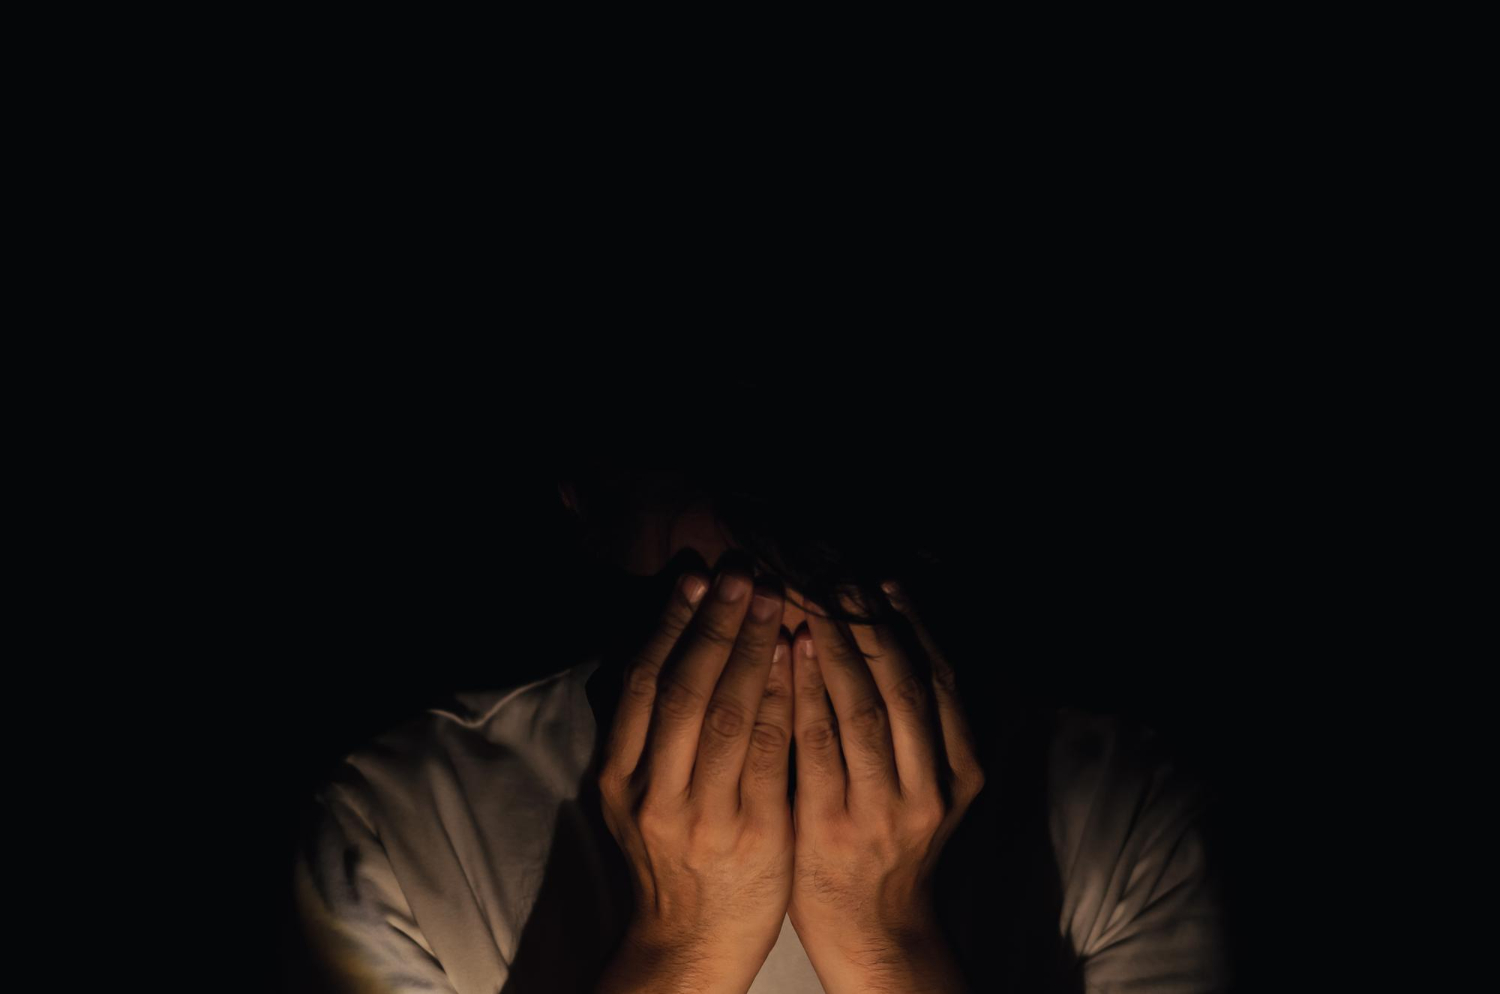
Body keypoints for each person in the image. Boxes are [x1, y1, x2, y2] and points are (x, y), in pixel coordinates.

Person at [289, 462, 1232, 994]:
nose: (783, 607)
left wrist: (889, 946)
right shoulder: (397, 826)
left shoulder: (1122, 813)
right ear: (584, 490)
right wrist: (683, 945)